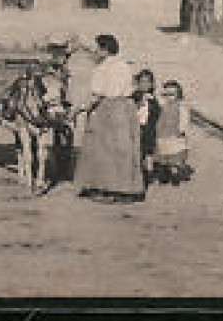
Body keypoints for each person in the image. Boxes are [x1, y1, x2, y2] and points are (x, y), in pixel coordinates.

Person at [74, 34, 144, 203]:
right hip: (127, 108)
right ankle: (128, 189)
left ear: (105, 50)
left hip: (108, 109)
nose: (95, 52)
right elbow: (132, 88)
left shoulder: (101, 68)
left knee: (104, 150)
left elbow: (97, 95)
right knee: (125, 149)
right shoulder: (125, 66)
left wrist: (81, 109)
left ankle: (108, 189)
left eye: (97, 48)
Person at [151, 79, 194, 185]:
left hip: (175, 136)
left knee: (175, 156)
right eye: (166, 94)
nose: (169, 97)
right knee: (162, 155)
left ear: (178, 95)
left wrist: (182, 129)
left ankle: (175, 174)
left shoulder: (181, 107)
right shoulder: (162, 105)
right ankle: (164, 174)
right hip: (162, 135)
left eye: (172, 94)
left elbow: (184, 119)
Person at [133, 68, 160, 180]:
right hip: (136, 127)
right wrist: (140, 103)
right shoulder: (134, 97)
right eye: (142, 82)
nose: (145, 85)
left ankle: (148, 172)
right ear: (138, 83)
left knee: (148, 150)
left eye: (147, 82)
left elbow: (157, 114)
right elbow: (130, 110)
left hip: (148, 128)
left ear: (151, 84)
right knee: (136, 150)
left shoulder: (153, 99)